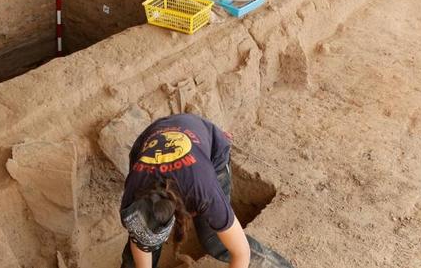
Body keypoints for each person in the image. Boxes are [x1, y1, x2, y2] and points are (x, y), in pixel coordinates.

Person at [119, 113, 293, 268]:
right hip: (157, 132)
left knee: (215, 241)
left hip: (208, 148)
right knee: (137, 257)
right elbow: (141, 243)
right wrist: (146, 243)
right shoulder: (132, 196)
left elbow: (242, 254)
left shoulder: (204, 193)